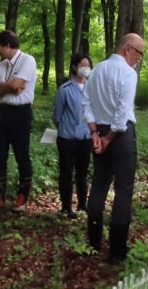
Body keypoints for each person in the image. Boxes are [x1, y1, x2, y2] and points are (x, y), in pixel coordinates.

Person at [83, 33, 145, 264]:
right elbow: (121, 113)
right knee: (123, 190)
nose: (139, 59)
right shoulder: (127, 73)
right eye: (139, 53)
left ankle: (94, 241)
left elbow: (86, 103)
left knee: (99, 183)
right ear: (128, 49)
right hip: (119, 135)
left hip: (99, 131)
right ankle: (117, 251)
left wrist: (94, 133)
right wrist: (108, 138)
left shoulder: (97, 69)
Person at [0, 30, 37, 212]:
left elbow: (17, 86)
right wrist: (7, 87)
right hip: (2, 114)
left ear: (7, 45)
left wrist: (6, 86)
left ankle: (22, 196)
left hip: (21, 114)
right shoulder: (2, 65)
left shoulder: (28, 60)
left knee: (22, 155)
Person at [52, 53, 93, 218]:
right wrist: (66, 127)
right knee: (66, 172)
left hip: (86, 136)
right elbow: (57, 116)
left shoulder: (92, 88)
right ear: (75, 67)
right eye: (82, 65)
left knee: (83, 172)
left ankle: (83, 204)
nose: (86, 68)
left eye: (88, 65)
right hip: (67, 137)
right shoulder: (65, 89)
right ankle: (66, 207)